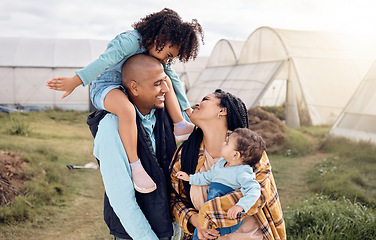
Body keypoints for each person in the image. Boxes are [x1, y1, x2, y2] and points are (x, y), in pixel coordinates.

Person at [47, 8, 203, 193]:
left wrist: (187, 110)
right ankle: (135, 165)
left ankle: (179, 125)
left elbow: (172, 77)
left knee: (166, 79)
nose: (166, 60)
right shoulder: (130, 41)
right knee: (127, 110)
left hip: (131, 86)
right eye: (168, 55)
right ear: (159, 38)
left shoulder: (157, 52)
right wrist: (75, 81)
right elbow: (103, 62)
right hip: (107, 87)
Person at [87, 54, 184, 239]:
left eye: (165, 81)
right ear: (134, 87)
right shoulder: (111, 125)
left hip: (168, 228)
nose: (165, 89)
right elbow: (122, 199)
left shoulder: (163, 114)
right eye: (157, 84)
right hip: (135, 234)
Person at [170, 89, 286, 240]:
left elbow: (259, 192)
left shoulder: (248, 149)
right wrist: (195, 220)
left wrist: (207, 215)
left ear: (222, 110)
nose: (197, 103)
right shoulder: (185, 155)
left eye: (205, 99)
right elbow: (174, 199)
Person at [175, 128, 266, 239]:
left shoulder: (242, 171)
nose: (223, 143)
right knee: (203, 231)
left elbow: (254, 190)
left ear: (235, 155)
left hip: (227, 217)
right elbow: (207, 177)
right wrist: (190, 178)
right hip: (214, 211)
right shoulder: (221, 164)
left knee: (202, 234)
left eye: (227, 143)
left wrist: (240, 206)